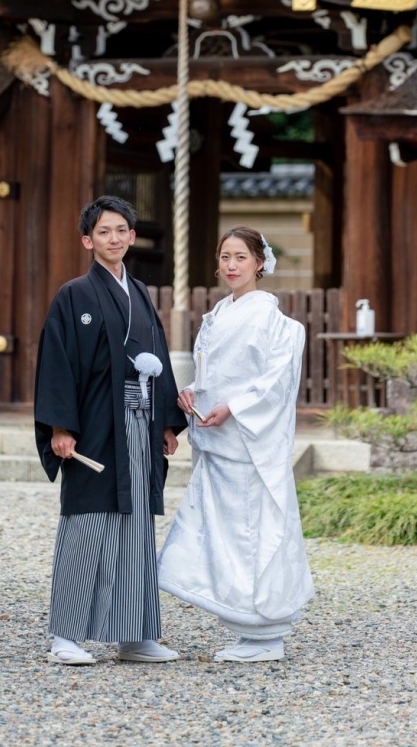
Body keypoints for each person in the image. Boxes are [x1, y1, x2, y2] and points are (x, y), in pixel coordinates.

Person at [34, 195, 187, 666]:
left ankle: (134, 634)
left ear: (132, 237)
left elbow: (158, 357)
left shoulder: (139, 292)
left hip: (139, 423)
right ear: (88, 240)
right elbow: (57, 362)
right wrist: (61, 426)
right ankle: (66, 633)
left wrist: (166, 421)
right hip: (96, 423)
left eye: (121, 230)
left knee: (135, 525)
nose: (114, 238)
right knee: (87, 521)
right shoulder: (74, 294)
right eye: (104, 231)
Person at [157, 225, 314, 662]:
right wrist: (192, 392)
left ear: (259, 263)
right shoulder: (216, 315)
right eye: (225, 257)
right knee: (223, 534)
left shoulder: (275, 322)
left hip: (248, 445)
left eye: (241, 257)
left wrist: (234, 407)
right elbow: (213, 375)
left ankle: (265, 631)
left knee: (252, 534)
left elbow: (274, 384)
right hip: (217, 440)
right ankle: (247, 627)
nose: (231, 265)